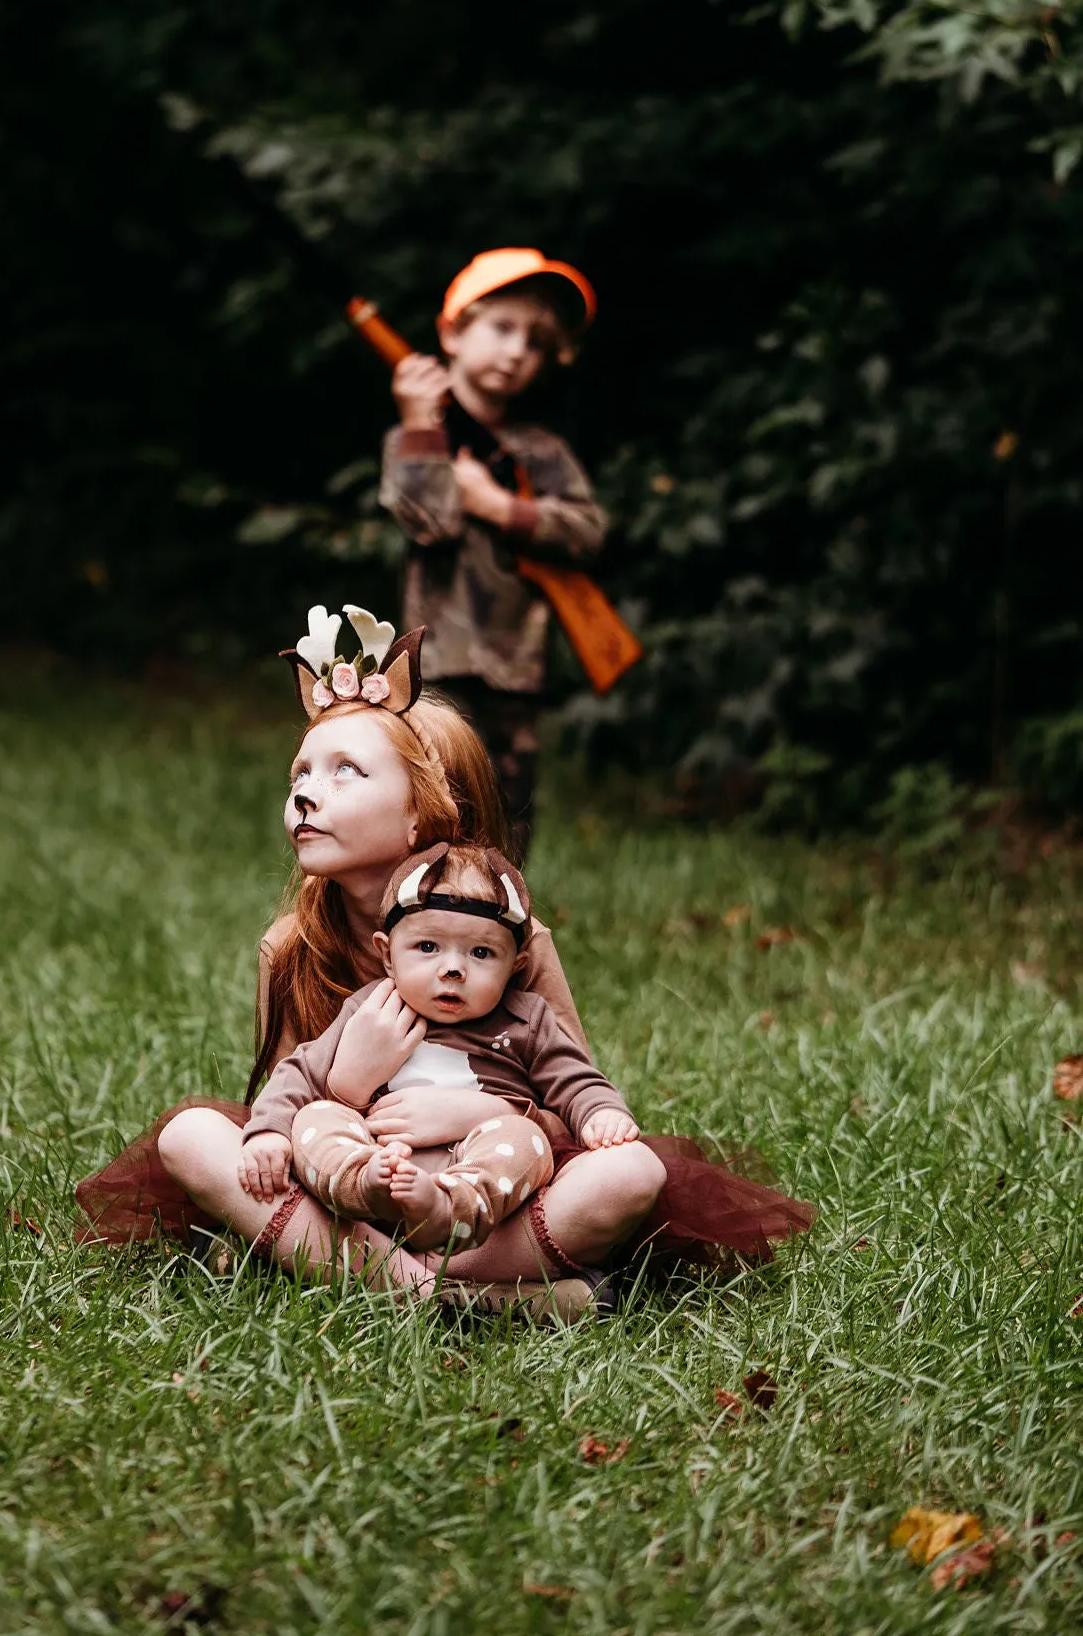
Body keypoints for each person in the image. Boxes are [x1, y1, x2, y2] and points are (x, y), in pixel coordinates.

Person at [74, 603, 816, 1315]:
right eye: (299, 774)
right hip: (352, 1182)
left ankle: (373, 1276)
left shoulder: (509, 937)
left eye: (343, 773)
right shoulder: (292, 946)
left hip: (488, 1193)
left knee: (632, 1172)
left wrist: (475, 1109)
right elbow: (280, 1116)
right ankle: (456, 1298)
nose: (305, 794)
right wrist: (349, 1080)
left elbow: (570, 1095)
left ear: (425, 813)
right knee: (191, 1138)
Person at [241, 841, 640, 1252]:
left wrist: (600, 1110)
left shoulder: (526, 1019)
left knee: (524, 1138)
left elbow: (575, 1078)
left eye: (481, 953)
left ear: (515, 965)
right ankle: (366, 1186)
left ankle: (446, 1210)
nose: (452, 969)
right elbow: (300, 1070)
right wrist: (268, 1132)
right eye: (428, 947)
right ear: (388, 955)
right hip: (380, 1153)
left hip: (481, 1173)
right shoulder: (372, 1007)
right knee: (315, 1117)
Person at [378, 248, 607, 859]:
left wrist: (502, 507)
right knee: (428, 829)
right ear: (453, 332)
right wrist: (421, 422)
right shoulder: (415, 438)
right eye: (502, 328)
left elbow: (588, 533)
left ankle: (498, 947)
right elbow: (428, 523)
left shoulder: (541, 451)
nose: (515, 352)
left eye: (535, 342)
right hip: (435, 672)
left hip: (515, 670)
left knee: (506, 840)